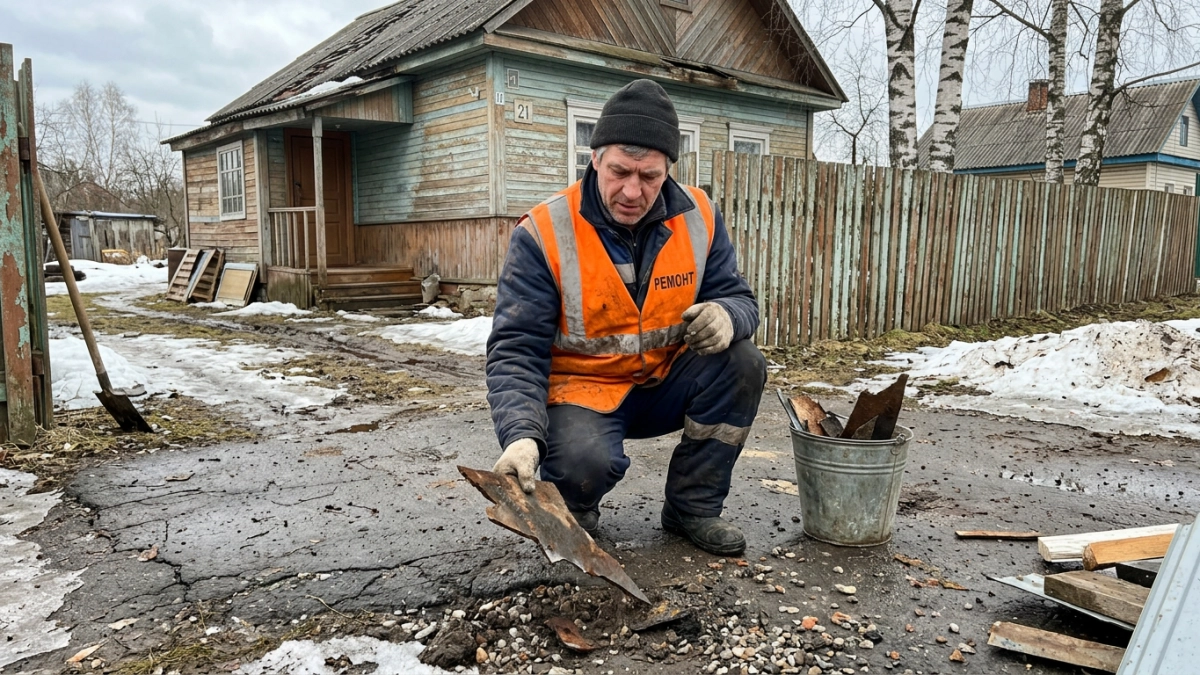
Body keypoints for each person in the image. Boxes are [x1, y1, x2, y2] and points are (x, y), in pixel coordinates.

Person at [485, 79, 766, 556]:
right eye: (619, 171)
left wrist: (727, 315)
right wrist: (521, 436)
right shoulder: (544, 232)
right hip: (582, 396)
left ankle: (692, 508)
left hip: (664, 385)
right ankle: (575, 503)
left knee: (742, 362)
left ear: (668, 170)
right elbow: (516, 348)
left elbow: (739, 298)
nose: (633, 191)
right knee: (581, 460)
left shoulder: (700, 215)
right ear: (594, 158)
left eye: (649, 176)